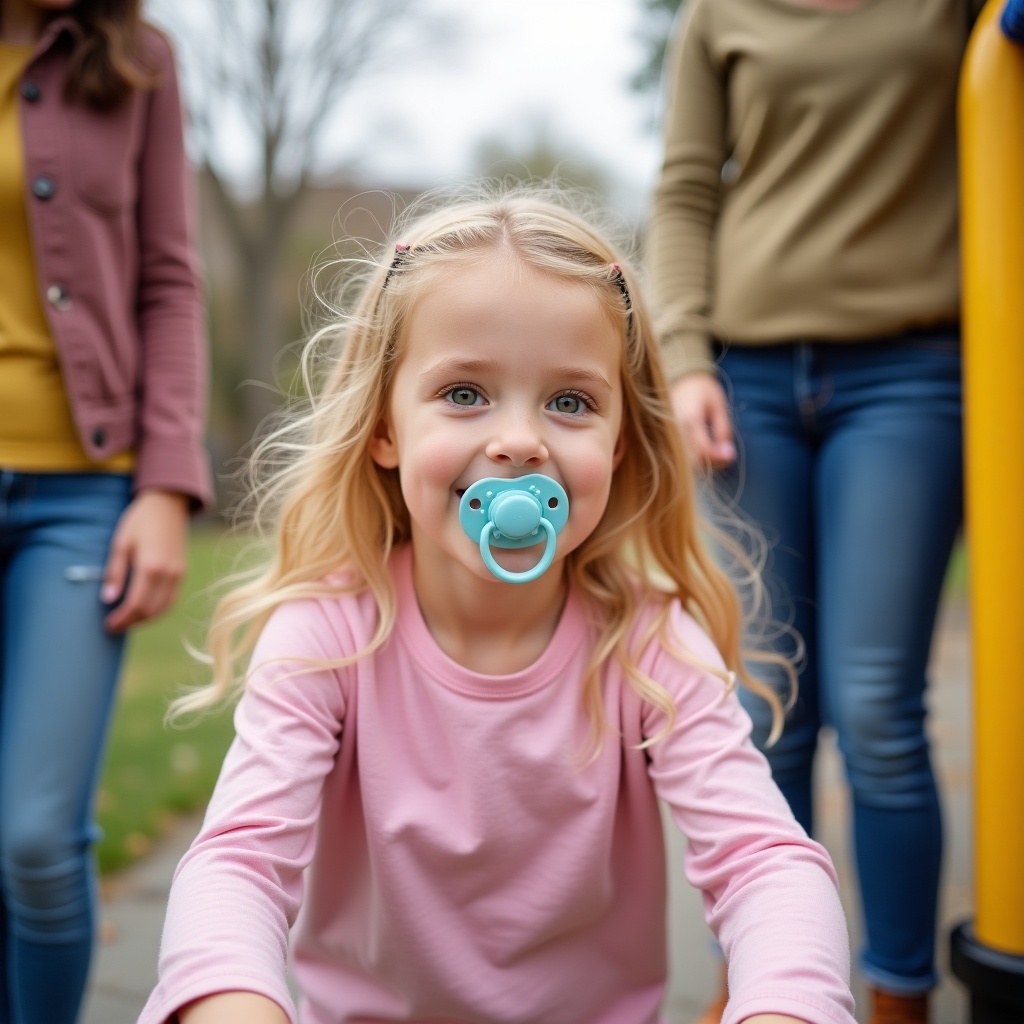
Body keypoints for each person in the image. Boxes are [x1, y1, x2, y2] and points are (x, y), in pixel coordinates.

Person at [138, 188, 856, 1024]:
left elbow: (765, 862)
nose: (520, 439)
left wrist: (789, 1004)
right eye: (467, 394)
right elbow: (240, 866)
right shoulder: (325, 635)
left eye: (571, 401)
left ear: (619, 443)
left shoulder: (648, 639)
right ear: (384, 428)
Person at [646, 1, 980, 1022]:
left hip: (910, 371)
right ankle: (764, 982)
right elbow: (686, 190)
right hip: (745, 382)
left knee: (878, 707)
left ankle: (896, 991)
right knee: (764, 709)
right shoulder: (718, 13)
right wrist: (686, 357)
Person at [0, 0, 211, 1021]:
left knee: (35, 838)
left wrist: (166, 483)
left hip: (81, 495)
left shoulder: (139, 64)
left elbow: (170, 279)